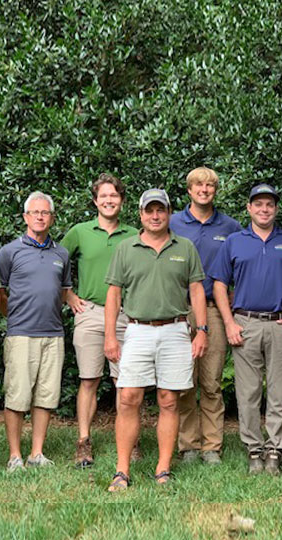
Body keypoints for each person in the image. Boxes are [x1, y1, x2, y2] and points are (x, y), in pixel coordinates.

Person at [104, 188, 208, 490]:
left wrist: (202, 330)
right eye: (149, 210)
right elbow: (114, 294)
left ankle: (163, 469)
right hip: (137, 330)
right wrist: (110, 336)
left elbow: (196, 290)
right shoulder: (126, 248)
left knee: (169, 400)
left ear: (169, 213)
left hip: (176, 330)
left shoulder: (185, 247)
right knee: (128, 397)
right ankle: (122, 470)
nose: (155, 215)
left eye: (160, 210)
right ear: (140, 214)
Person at [211, 184, 282, 476]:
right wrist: (229, 322)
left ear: (276, 209)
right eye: (258, 204)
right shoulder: (234, 242)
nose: (264, 209)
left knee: (280, 391)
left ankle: (275, 450)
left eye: (269, 204)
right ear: (249, 208)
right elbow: (219, 284)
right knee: (248, 392)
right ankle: (254, 449)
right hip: (246, 324)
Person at [62, 173, 137, 467]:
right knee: (89, 379)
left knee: (125, 382)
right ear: (95, 201)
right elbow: (55, 262)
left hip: (126, 315)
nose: (109, 200)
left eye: (114, 195)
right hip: (90, 313)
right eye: (103, 196)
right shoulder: (80, 232)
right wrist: (68, 295)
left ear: (122, 200)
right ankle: (83, 441)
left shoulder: (134, 234)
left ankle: (128, 441)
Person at [170, 167, 242, 465]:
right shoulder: (173, 222)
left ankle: (211, 446)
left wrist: (235, 299)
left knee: (211, 382)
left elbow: (242, 266)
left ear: (215, 190)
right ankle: (188, 445)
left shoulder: (231, 226)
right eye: (198, 185)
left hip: (213, 309)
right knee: (183, 381)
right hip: (177, 309)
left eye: (210, 185)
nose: (204, 190)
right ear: (189, 190)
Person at [0, 192, 72, 471]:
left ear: (52, 218)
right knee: (17, 396)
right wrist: (16, 315)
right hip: (21, 334)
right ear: (25, 217)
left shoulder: (61, 254)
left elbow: (63, 291)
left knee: (46, 396)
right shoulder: (9, 252)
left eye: (45, 213)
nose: (40, 217)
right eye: (35, 212)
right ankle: (15, 456)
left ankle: (36, 453)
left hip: (53, 333)